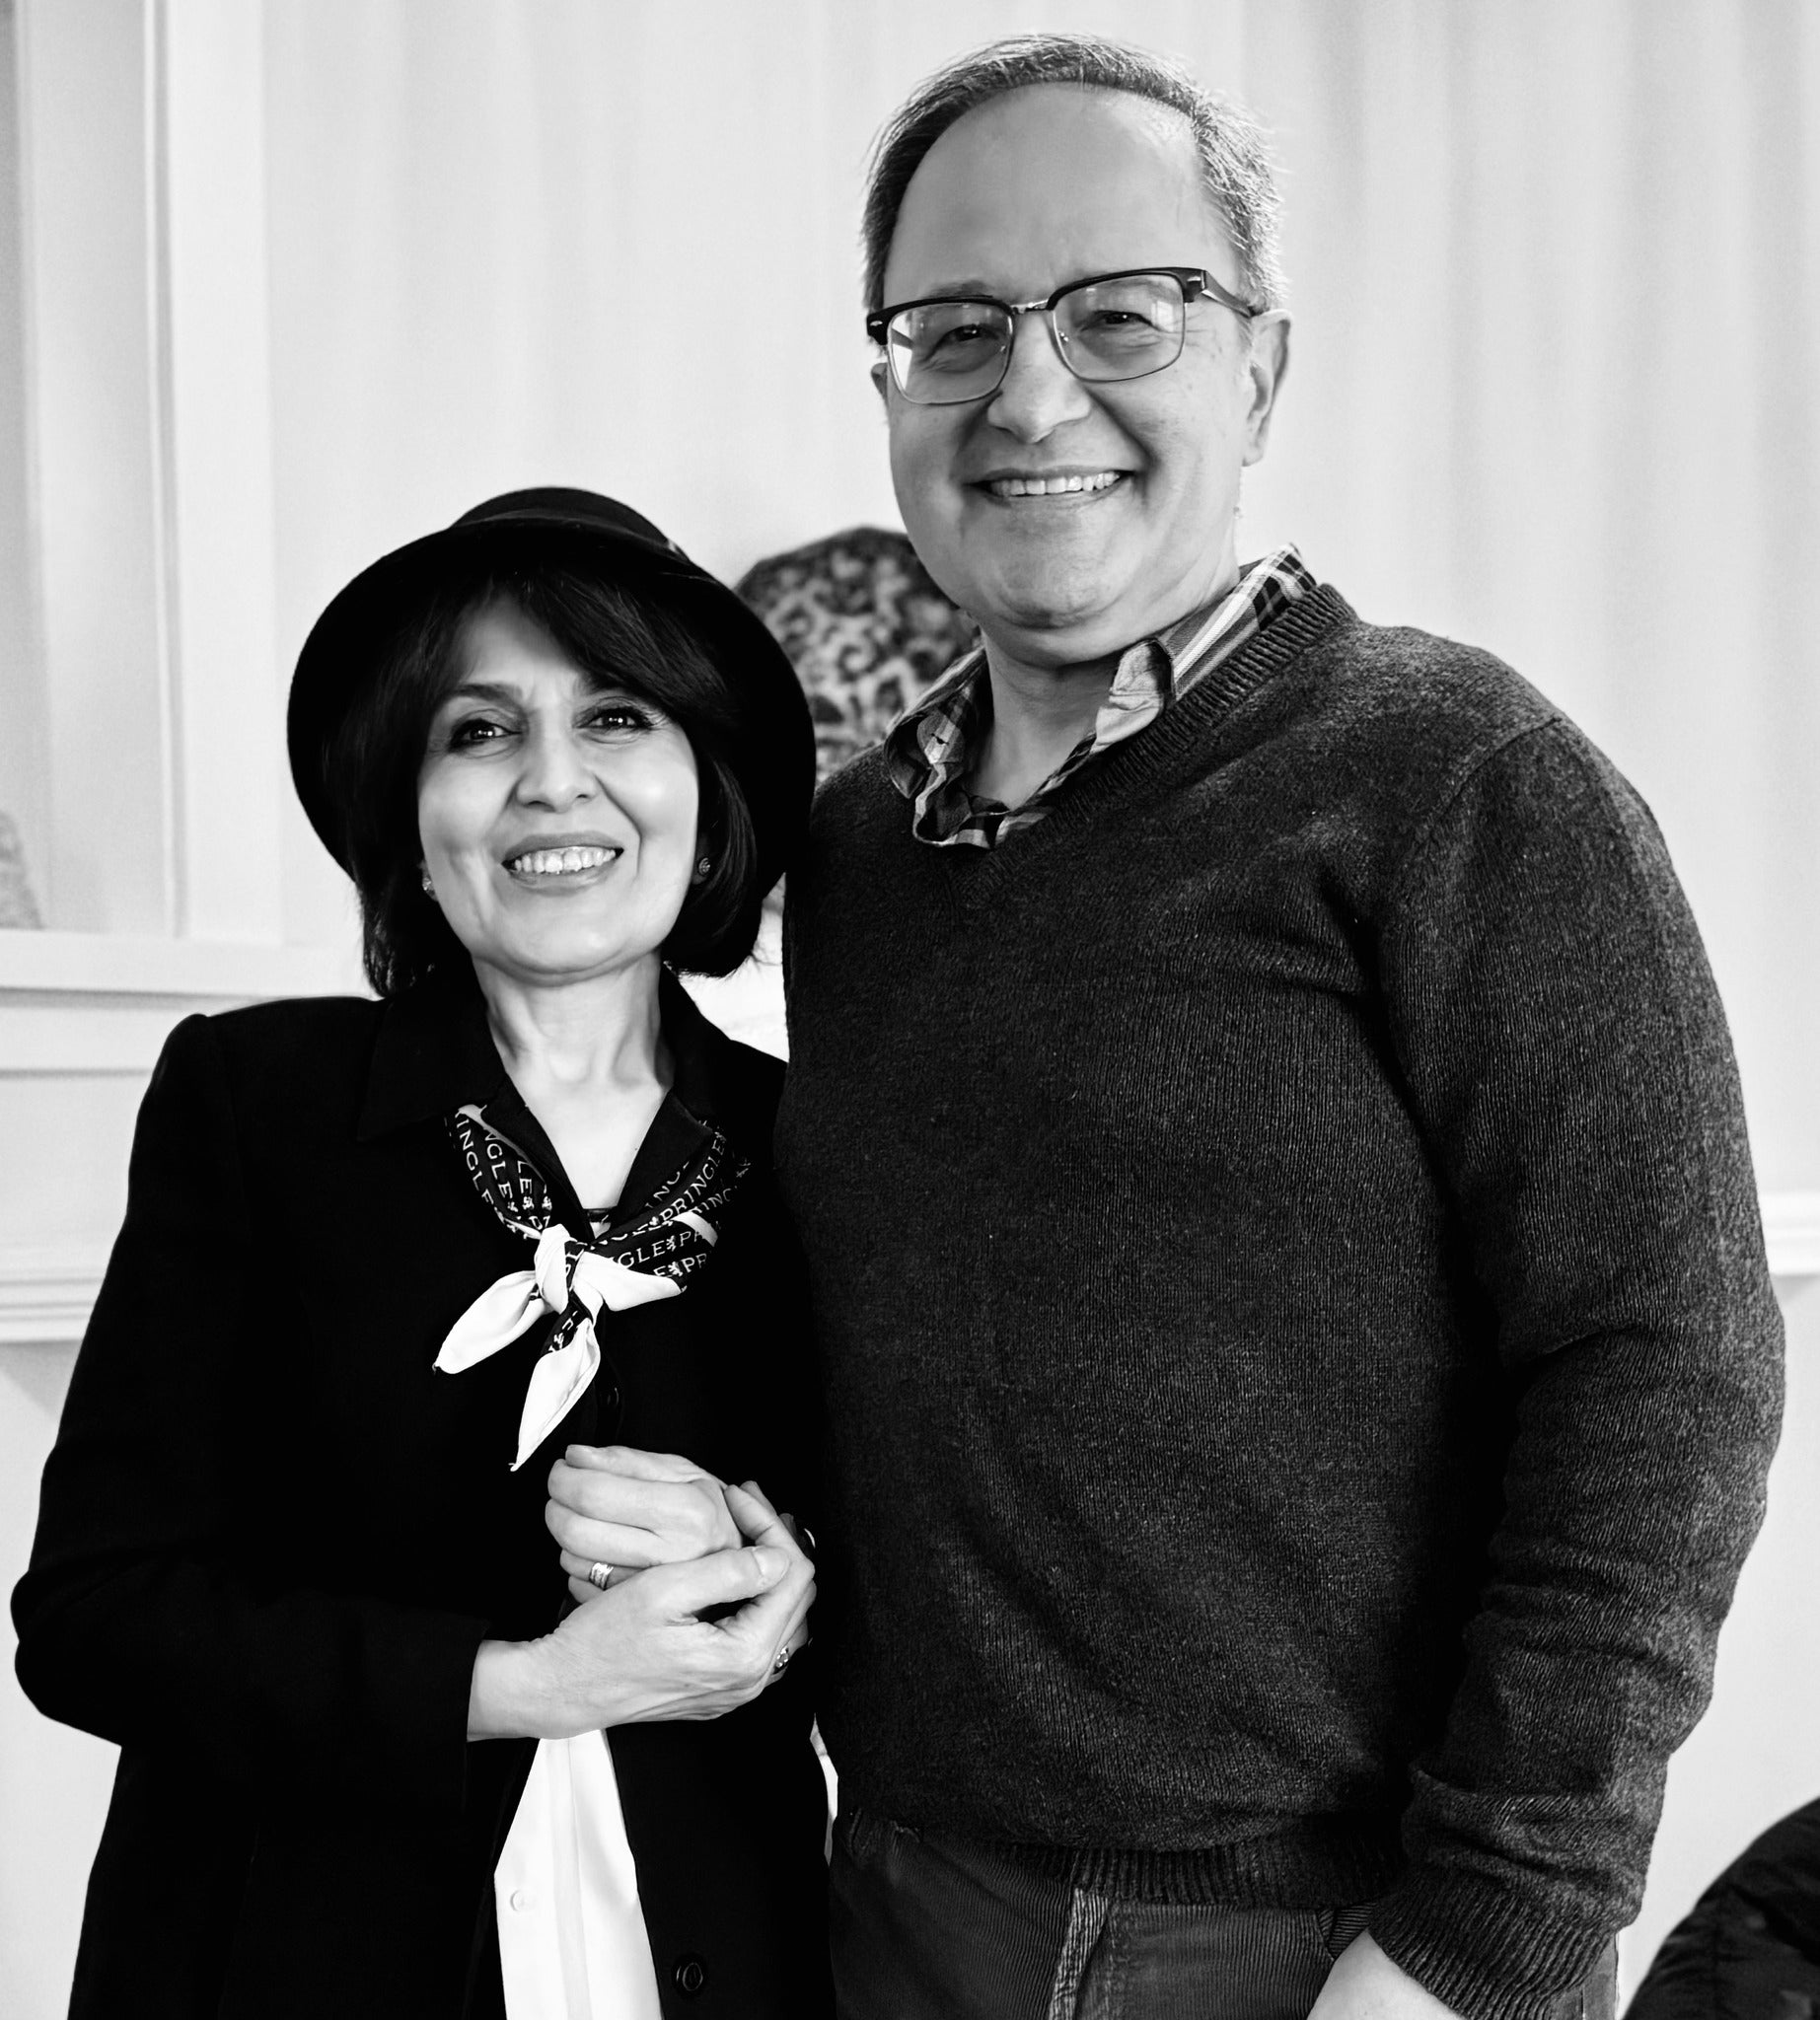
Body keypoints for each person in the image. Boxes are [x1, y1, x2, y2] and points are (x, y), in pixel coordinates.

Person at [727, 32, 1784, 2020]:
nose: (1028, 393)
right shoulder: (861, 844)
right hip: (897, 1902)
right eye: (948, 330)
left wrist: (1480, 1933)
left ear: (1258, 366)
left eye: (1118, 314)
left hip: (1329, 1946)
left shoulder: (1453, 777)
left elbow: (1665, 1363)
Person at [12, 489, 833, 2019]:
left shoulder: (819, 1147)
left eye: (615, 715)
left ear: (707, 788)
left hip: (718, 1944)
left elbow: (904, 1600)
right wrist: (529, 1687)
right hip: (282, 1953)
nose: (550, 784)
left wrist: (791, 1599)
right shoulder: (256, 1103)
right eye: (477, 731)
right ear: (408, 807)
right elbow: (92, 1625)